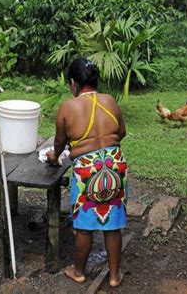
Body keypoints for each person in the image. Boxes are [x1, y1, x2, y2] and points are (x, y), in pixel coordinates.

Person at [46, 57, 127, 287]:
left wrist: (54, 155)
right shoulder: (110, 100)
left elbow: (60, 144)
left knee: (84, 226)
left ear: (73, 83)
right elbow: (121, 132)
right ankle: (113, 277)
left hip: (86, 169)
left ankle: (79, 272)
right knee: (113, 225)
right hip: (115, 164)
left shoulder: (67, 107)